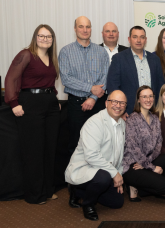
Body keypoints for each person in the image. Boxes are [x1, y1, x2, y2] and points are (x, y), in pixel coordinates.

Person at [4, 24, 60, 205]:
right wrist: (13, 103)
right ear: (35, 37)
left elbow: (49, 82)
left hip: (50, 105)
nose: (45, 39)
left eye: (49, 36)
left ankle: (48, 190)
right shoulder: (26, 54)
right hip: (30, 104)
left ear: (53, 39)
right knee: (34, 152)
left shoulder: (51, 58)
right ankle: (35, 195)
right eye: (41, 36)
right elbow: (10, 78)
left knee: (49, 149)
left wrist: (54, 99)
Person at [65, 90, 127, 221]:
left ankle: (77, 191)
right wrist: (114, 174)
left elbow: (120, 155)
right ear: (106, 103)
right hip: (85, 168)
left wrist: (119, 174)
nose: (118, 105)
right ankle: (88, 205)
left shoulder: (122, 124)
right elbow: (91, 156)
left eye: (122, 103)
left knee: (117, 202)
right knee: (103, 177)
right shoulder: (95, 123)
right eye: (114, 101)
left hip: (103, 170)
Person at [59, 16, 109, 154]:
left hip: (98, 103)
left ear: (91, 29)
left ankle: (99, 175)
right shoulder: (65, 52)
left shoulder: (101, 51)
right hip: (76, 105)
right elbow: (66, 79)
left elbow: (105, 77)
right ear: (75, 29)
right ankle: (75, 175)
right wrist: (91, 88)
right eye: (81, 26)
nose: (85, 30)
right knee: (76, 143)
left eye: (88, 27)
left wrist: (93, 97)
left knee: (100, 142)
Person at [122, 86, 165, 203]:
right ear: (138, 100)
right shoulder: (132, 119)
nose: (148, 99)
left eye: (150, 96)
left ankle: (141, 188)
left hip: (147, 161)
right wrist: (151, 167)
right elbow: (133, 148)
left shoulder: (155, 119)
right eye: (144, 97)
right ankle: (137, 184)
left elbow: (158, 145)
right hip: (133, 165)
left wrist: (147, 163)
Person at [107, 26, 165, 116]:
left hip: (152, 111)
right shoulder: (119, 59)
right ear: (129, 39)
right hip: (128, 112)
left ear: (145, 40)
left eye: (142, 37)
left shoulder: (155, 59)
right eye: (135, 37)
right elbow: (112, 86)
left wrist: (158, 108)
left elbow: (160, 85)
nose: (138, 40)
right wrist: (121, 111)